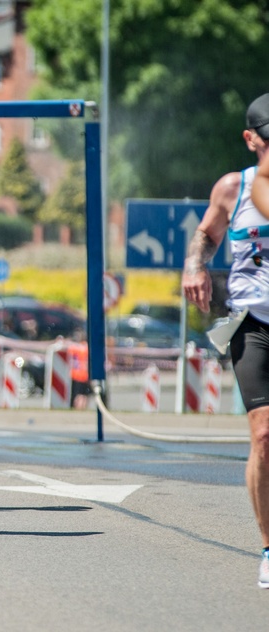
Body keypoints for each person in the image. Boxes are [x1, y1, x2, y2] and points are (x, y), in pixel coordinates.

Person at [183, 92, 269, 588]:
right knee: (263, 435)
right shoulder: (234, 188)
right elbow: (207, 234)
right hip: (253, 325)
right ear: (250, 139)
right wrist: (196, 265)